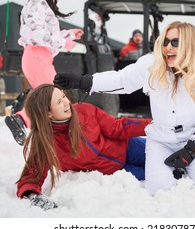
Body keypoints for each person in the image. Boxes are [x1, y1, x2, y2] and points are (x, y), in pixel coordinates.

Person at [54, 21, 195, 196]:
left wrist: (192, 149)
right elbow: (122, 80)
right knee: (159, 189)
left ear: (189, 46)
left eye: (175, 42)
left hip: (194, 140)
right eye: (166, 41)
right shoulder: (152, 65)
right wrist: (85, 81)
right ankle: (188, 168)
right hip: (161, 140)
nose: (168, 47)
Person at [16, 84, 151, 210]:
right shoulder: (46, 143)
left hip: (128, 147)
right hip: (119, 171)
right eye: (59, 102)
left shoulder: (85, 111)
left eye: (64, 96)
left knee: (165, 154)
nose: (66, 102)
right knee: (160, 171)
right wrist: (33, 196)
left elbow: (118, 127)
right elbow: (31, 176)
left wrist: (153, 126)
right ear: (48, 114)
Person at [5, 0, 84, 146]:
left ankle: (42, 136)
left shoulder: (41, 1)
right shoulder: (35, 1)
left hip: (41, 57)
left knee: (49, 99)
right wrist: (64, 42)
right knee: (54, 98)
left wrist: (70, 34)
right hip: (36, 57)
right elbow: (36, 33)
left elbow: (47, 33)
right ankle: (22, 120)